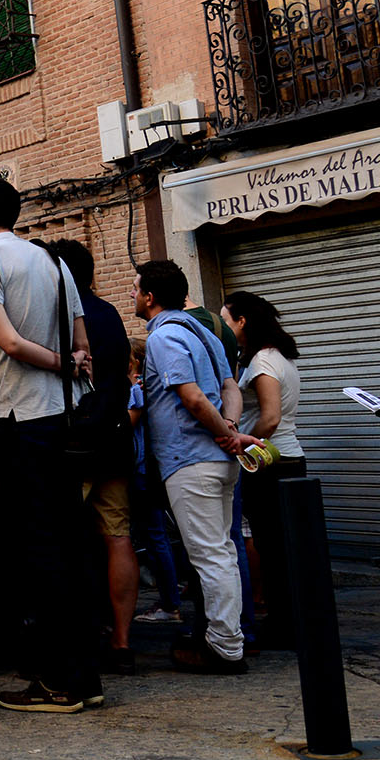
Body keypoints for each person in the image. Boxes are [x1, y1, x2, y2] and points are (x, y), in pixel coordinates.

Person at [0, 178, 96, 713]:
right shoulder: (54, 261)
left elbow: (10, 343)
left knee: (37, 551)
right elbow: (80, 338)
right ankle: (85, 675)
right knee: (72, 542)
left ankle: (56, 682)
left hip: (23, 418)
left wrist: (59, 363)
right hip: (65, 416)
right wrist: (72, 364)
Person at [132, 260, 259, 674]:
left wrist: (223, 430)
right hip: (219, 458)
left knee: (210, 556)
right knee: (221, 550)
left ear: (150, 297)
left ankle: (225, 647)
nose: (133, 296)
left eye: (136, 290)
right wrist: (232, 429)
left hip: (191, 459)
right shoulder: (202, 333)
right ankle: (227, 639)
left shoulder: (165, 337)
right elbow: (229, 388)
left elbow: (192, 398)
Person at [47, 239, 137, 677]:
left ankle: (79, 637)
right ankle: (122, 641)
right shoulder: (112, 314)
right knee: (118, 536)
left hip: (76, 442)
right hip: (116, 439)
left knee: (67, 540)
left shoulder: (63, 317)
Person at [220, 290, 307, 649]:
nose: (224, 327)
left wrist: (243, 443)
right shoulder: (277, 357)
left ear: (242, 322)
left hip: (272, 462)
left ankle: (285, 625)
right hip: (288, 458)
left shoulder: (262, 362)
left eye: (226, 321)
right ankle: (291, 620)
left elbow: (270, 417)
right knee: (284, 547)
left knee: (273, 548)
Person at [127, 335, 183, 625]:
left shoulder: (135, 392)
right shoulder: (146, 390)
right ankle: (171, 596)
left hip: (142, 472)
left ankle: (170, 602)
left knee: (155, 536)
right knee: (156, 536)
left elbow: (126, 427)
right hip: (151, 470)